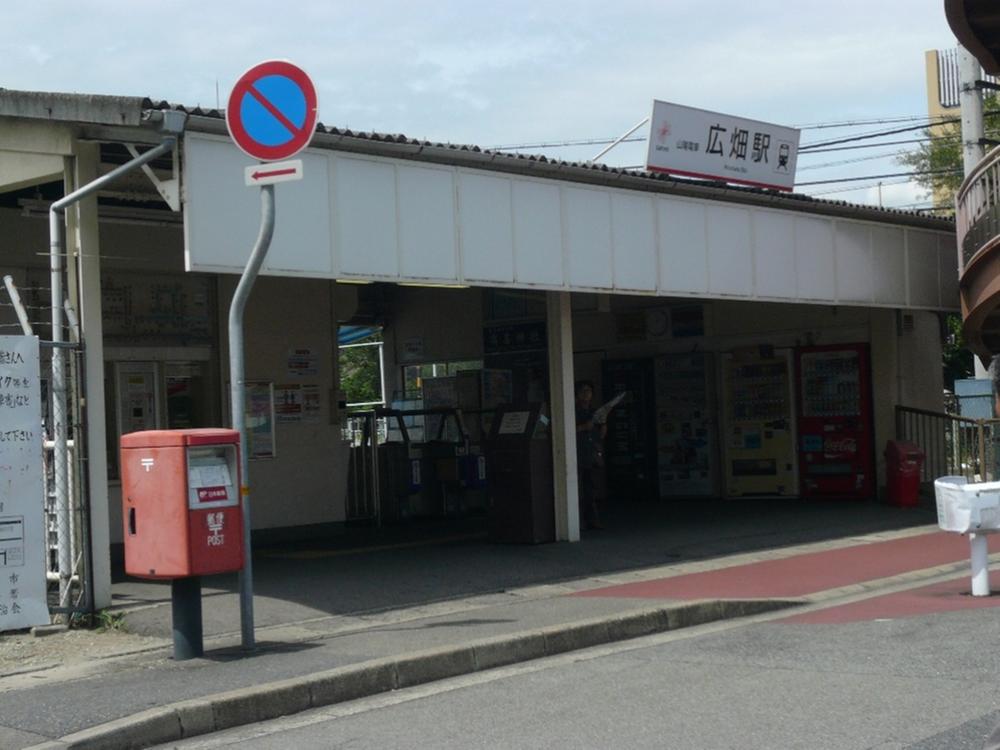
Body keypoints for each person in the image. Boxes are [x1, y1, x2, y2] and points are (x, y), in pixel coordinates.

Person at [575, 380, 606, 530]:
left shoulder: (595, 412)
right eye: (583, 390)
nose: (586, 394)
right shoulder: (572, 411)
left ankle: (592, 520)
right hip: (577, 453)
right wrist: (582, 427)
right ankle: (577, 521)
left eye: (589, 391)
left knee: (591, 489)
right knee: (577, 489)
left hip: (591, 453)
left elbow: (601, 434)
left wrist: (604, 422)